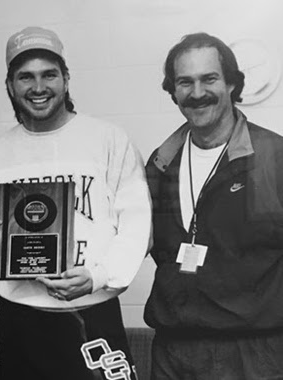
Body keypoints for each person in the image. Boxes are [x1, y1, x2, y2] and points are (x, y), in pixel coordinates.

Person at [0, 26, 151, 380]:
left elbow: (137, 226)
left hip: (92, 311)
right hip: (21, 317)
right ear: (9, 85)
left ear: (66, 78)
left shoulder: (109, 140)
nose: (38, 87)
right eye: (25, 77)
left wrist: (98, 276)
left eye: (48, 74)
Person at [145, 32, 283, 379]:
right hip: (172, 352)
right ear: (172, 91)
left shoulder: (273, 157)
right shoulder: (160, 164)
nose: (197, 93)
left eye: (209, 79)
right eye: (184, 82)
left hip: (253, 354)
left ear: (233, 84)